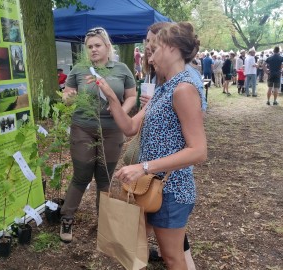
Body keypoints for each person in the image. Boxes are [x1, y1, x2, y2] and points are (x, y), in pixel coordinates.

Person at [92, 22, 207, 270]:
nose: (150, 57)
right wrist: (112, 96)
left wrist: (143, 167)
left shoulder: (184, 88)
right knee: (135, 247)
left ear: (174, 49)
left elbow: (198, 150)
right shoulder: (165, 87)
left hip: (171, 190)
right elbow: (131, 127)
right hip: (149, 186)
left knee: (172, 257)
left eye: (154, 50)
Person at [60, 27, 136, 243]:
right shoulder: (79, 69)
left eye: (97, 45)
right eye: (89, 46)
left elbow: (132, 95)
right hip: (82, 128)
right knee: (81, 175)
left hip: (112, 131)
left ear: (107, 47)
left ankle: (104, 222)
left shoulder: (121, 69)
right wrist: (69, 97)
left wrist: (122, 109)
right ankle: (67, 217)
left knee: (104, 179)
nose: (93, 50)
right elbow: (67, 94)